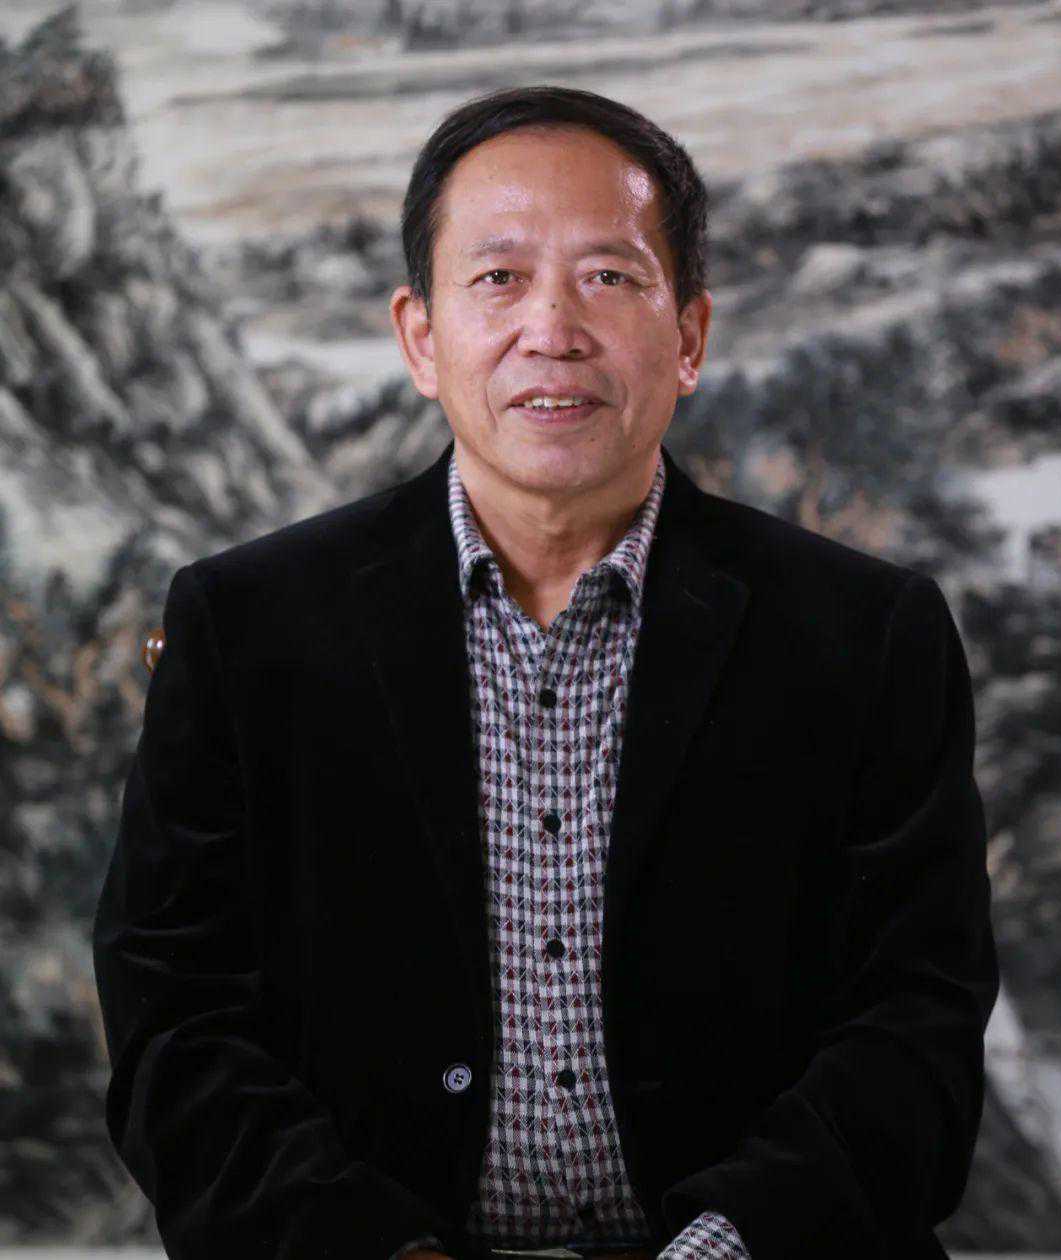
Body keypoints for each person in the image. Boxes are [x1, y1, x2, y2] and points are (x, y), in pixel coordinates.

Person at [92, 85, 1000, 1260]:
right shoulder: (245, 628)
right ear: (421, 337)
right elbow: (173, 1021)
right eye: (499, 278)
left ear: (689, 336)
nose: (553, 329)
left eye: (609, 276)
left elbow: (917, 1026)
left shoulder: (867, 635)